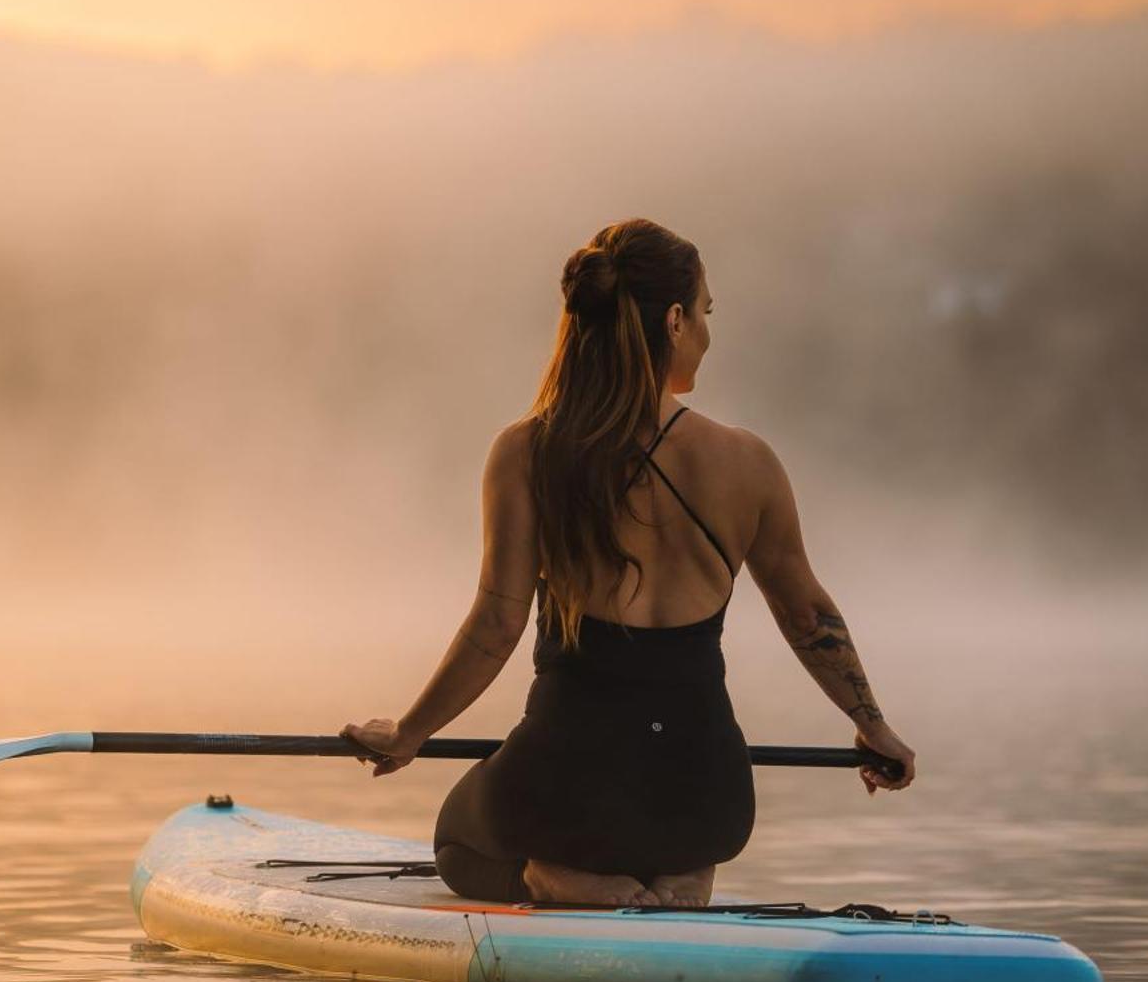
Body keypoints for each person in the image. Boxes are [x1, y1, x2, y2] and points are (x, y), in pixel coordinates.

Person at [340, 217, 915, 909]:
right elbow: (805, 614)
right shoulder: (747, 463)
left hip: (568, 789)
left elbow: (496, 624)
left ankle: (573, 880)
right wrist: (872, 726)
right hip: (706, 795)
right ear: (673, 320)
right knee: (670, 841)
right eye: (705, 312)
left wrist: (407, 735)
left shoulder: (528, 452)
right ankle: (670, 885)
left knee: (456, 843)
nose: (707, 332)